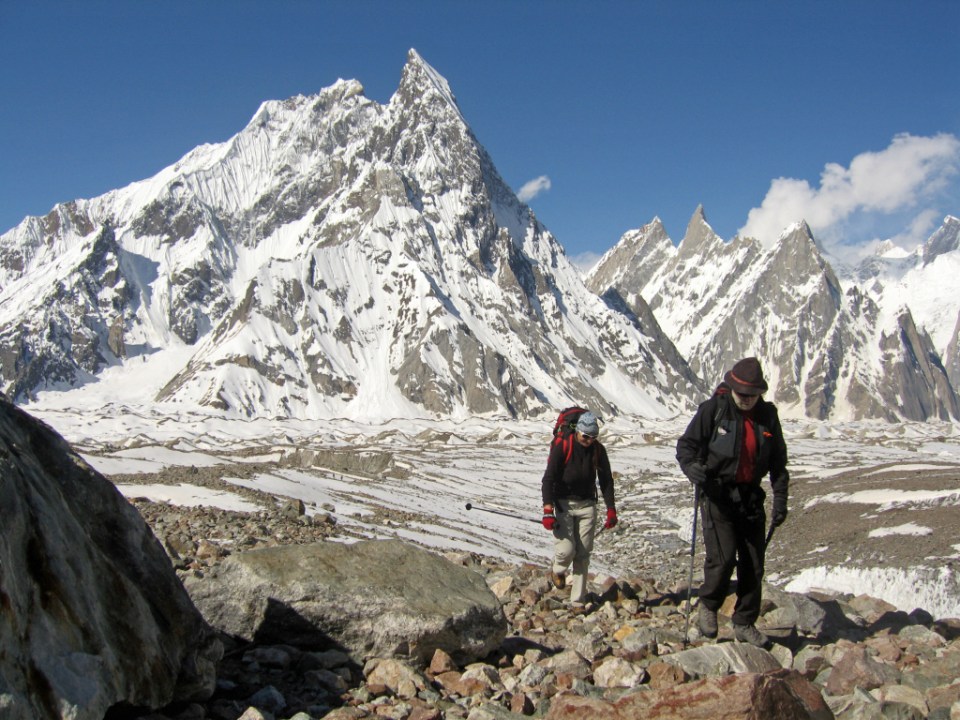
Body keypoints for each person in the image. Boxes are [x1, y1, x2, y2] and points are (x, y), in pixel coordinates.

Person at [676, 357, 789, 648]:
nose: (747, 400)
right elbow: (687, 446)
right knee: (723, 558)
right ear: (732, 388)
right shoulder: (714, 410)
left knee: (754, 564)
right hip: (717, 495)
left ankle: (744, 621)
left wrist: (780, 500)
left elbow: (778, 463)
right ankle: (709, 604)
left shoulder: (768, 417)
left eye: (753, 395)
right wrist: (692, 469)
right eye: (742, 395)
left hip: (750, 498)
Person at [541, 410, 618, 604]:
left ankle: (577, 601)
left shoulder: (598, 450)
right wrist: (548, 510)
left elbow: (606, 480)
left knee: (583, 554)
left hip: (588, 505)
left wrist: (611, 509)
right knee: (566, 550)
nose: (589, 440)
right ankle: (558, 569)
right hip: (564, 504)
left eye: (593, 437)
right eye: (586, 436)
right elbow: (549, 479)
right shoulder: (563, 446)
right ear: (578, 432)